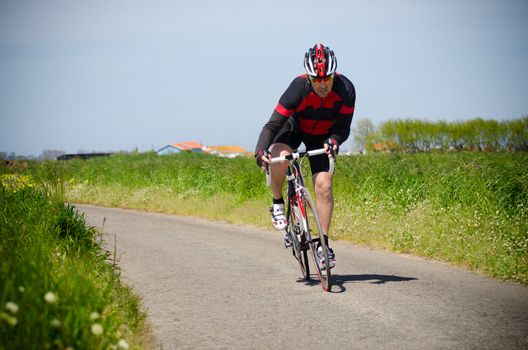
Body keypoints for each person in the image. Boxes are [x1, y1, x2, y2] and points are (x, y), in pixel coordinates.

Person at [254, 43, 356, 269]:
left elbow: (344, 127)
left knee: (325, 185)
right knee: (279, 155)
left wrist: (335, 140)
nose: (322, 85)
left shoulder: (346, 89)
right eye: (316, 79)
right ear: (308, 77)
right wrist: (260, 151)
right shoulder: (297, 88)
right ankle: (278, 202)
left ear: (334, 75)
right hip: (295, 128)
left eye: (327, 79)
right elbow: (271, 126)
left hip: (323, 136)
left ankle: (323, 244)